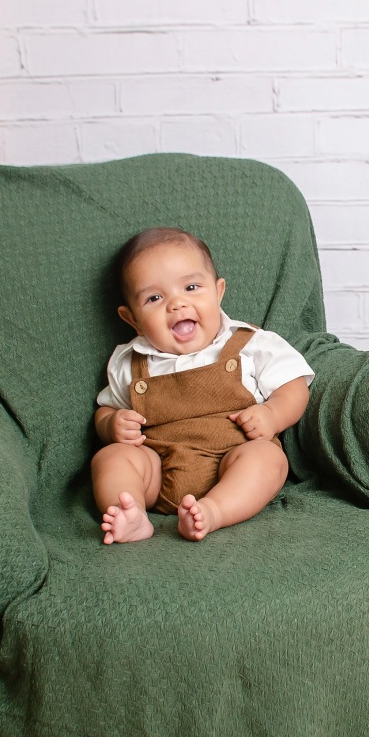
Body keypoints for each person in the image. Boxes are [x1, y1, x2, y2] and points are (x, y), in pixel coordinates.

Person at [91, 227, 312, 543]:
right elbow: (105, 409)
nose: (177, 304)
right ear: (132, 319)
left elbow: (293, 386)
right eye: (154, 298)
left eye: (191, 287)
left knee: (268, 458)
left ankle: (214, 511)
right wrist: (111, 425)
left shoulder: (251, 344)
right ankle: (131, 513)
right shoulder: (130, 362)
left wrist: (273, 415)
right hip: (159, 469)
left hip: (232, 461)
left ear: (218, 292)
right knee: (111, 458)